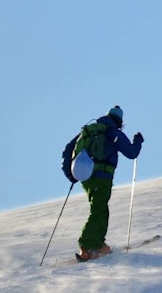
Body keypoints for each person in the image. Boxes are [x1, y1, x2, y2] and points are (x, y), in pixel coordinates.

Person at [64, 105, 143, 261]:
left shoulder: (88, 131)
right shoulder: (112, 132)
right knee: (99, 209)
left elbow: (68, 150)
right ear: (119, 121)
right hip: (103, 176)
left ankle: (98, 243)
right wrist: (138, 141)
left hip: (86, 177)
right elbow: (131, 153)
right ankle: (87, 246)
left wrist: (72, 174)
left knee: (100, 208)